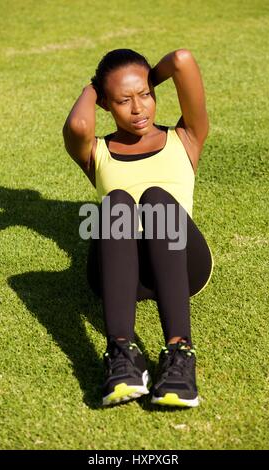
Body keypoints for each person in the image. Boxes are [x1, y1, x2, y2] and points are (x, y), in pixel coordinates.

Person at [62, 48, 214, 408]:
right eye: (123, 100)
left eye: (145, 95)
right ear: (105, 105)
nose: (138, 109)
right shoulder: (97, 151)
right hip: (120, 276)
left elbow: (182, 59)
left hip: (181, 267)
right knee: (117, 203)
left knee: (158, 198)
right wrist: (94, 85)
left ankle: (179, 355)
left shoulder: (186, 137)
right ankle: (122, 355)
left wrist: (143, 77)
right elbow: (78, 127)